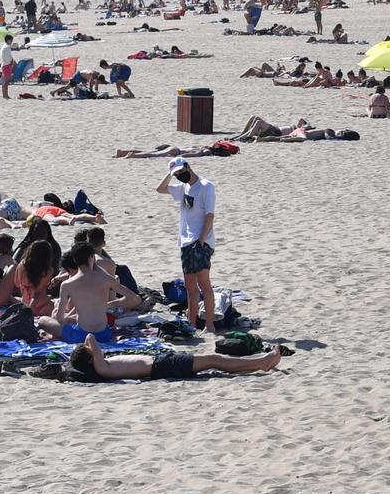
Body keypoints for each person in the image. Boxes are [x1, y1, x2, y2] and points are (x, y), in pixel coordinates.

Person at [156, 157, 217, 334]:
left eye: (182, 172)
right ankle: (192, 324)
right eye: (177, 175)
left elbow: (209, 215)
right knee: (190, 287)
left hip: (200, 241)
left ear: (188, 167)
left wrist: (201, 240)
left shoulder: (206, 186)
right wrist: (170, 173)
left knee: (204, 283)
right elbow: (160, 189)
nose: (180, 176)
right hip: (185, 242)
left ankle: (210, 324)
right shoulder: (183, 188)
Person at [66, 334, 283, 380]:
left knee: (211, 361)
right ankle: (261, 363)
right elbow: (90, 337)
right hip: (163, 366)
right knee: (213, 359)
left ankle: (258, 363)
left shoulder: (102, 365)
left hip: (162, 363)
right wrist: (88, 348)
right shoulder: (102, 367)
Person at [0, 35, 15, 100]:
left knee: (6, 80)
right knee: (6, 80)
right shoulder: (6, 47)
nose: (11, 42)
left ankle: (5, 94)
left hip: (5, 64)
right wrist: (11, 62)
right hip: (7, 65)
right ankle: (5, 95)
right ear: (8, 40)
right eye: (11, 40)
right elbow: (8, 57)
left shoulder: (4, 47)